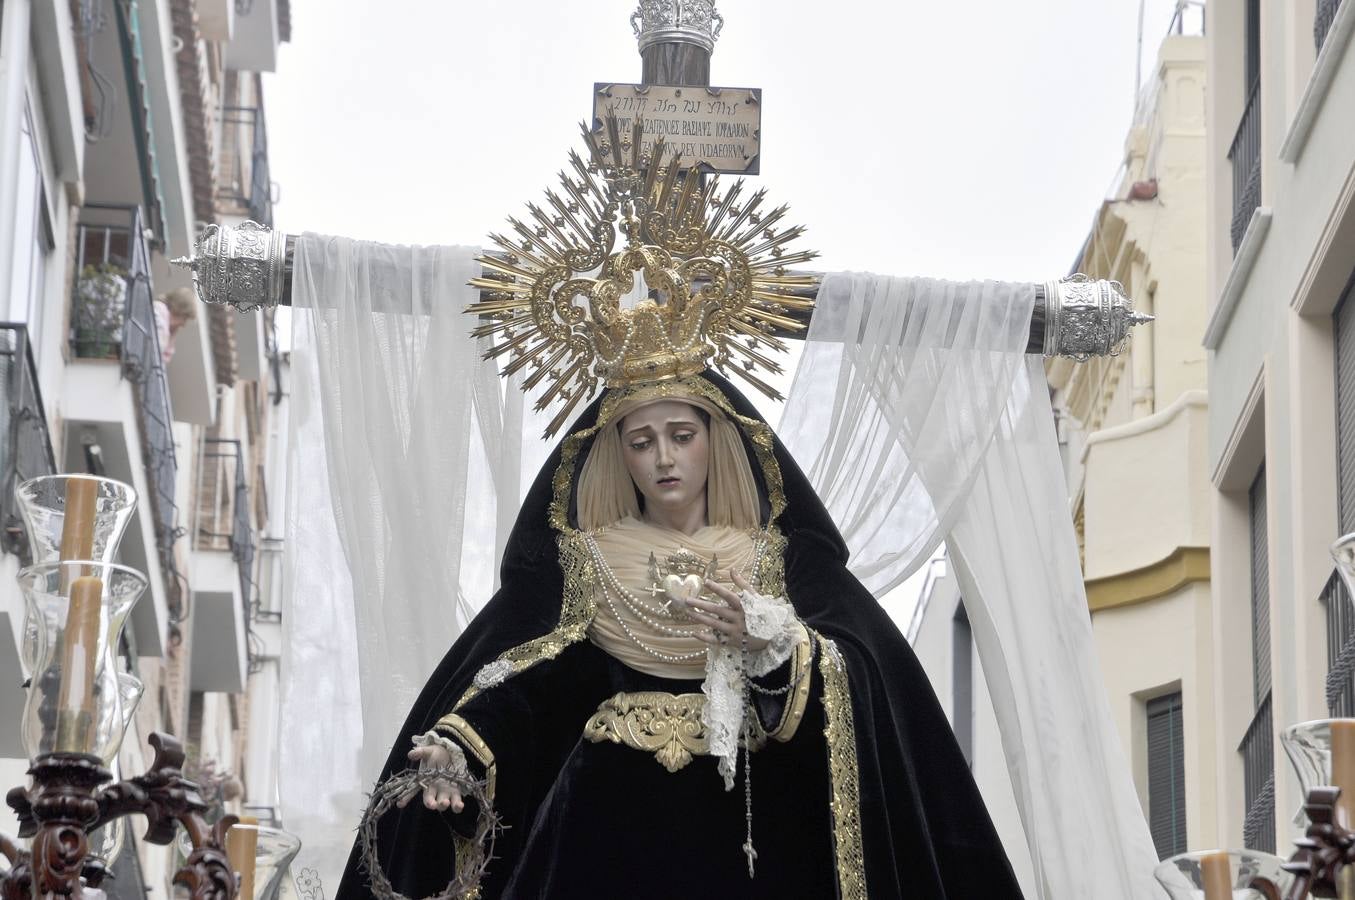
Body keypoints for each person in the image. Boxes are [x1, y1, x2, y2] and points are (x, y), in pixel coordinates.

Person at [335, 367, 1026, 899]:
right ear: (620, 456)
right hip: (607, 823)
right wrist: (458, 743)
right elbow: (529, 680)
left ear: (714, 441)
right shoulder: (587, 563)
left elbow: (865, 678)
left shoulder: (780, 565)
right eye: (641, 442)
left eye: (681, 435)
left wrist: (773, 648)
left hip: (753, 829)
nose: (663, 457)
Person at [153, 285, 197, 365]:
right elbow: (155, 352)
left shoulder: (166, 324)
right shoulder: (158, 311)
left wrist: (172, 335)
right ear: (178, 309)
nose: (183, 324)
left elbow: (164, 360)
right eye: (185, 318)